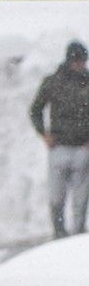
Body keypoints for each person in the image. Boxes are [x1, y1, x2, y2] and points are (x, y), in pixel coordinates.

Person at [31, 41, 89, 236]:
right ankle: (59, 234)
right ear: (70, 60)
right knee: (56, 198)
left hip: (83, 148)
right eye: (78, 60)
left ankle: (78, 237)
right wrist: (43, 133)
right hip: (59, 147)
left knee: (81, 202)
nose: (81, 65)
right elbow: (35, 110)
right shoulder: (54, 82)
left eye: (83, 61)